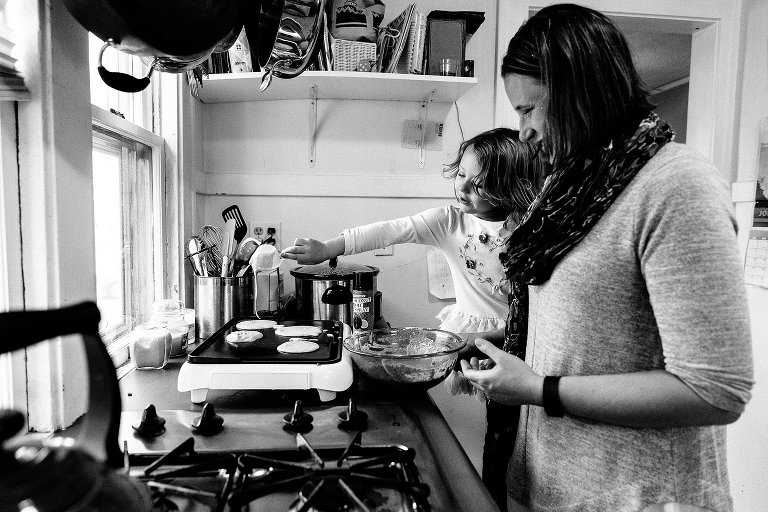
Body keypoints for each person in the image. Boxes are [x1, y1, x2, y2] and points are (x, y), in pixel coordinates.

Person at [459, 4, 754, 512]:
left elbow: (715, 390)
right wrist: (511, 347)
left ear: (581, 92)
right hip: (555, 486)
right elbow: (591, 331)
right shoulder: (570, 188)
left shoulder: (675, 185)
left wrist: (538, 387)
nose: (523, 132)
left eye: (529, 110)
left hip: (640, 496)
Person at [281, 128, 544, 509]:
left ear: (509, 185)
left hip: (519, 345)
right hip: (469, 341)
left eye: (481, 183)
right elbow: (391, 230)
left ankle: (501, 497)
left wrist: (507, 335)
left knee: (515, 437)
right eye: (461, 175)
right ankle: (480, 496)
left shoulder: (532, 226)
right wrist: (328, 248)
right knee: (486, 436)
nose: (464, 188)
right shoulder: (450, 222)